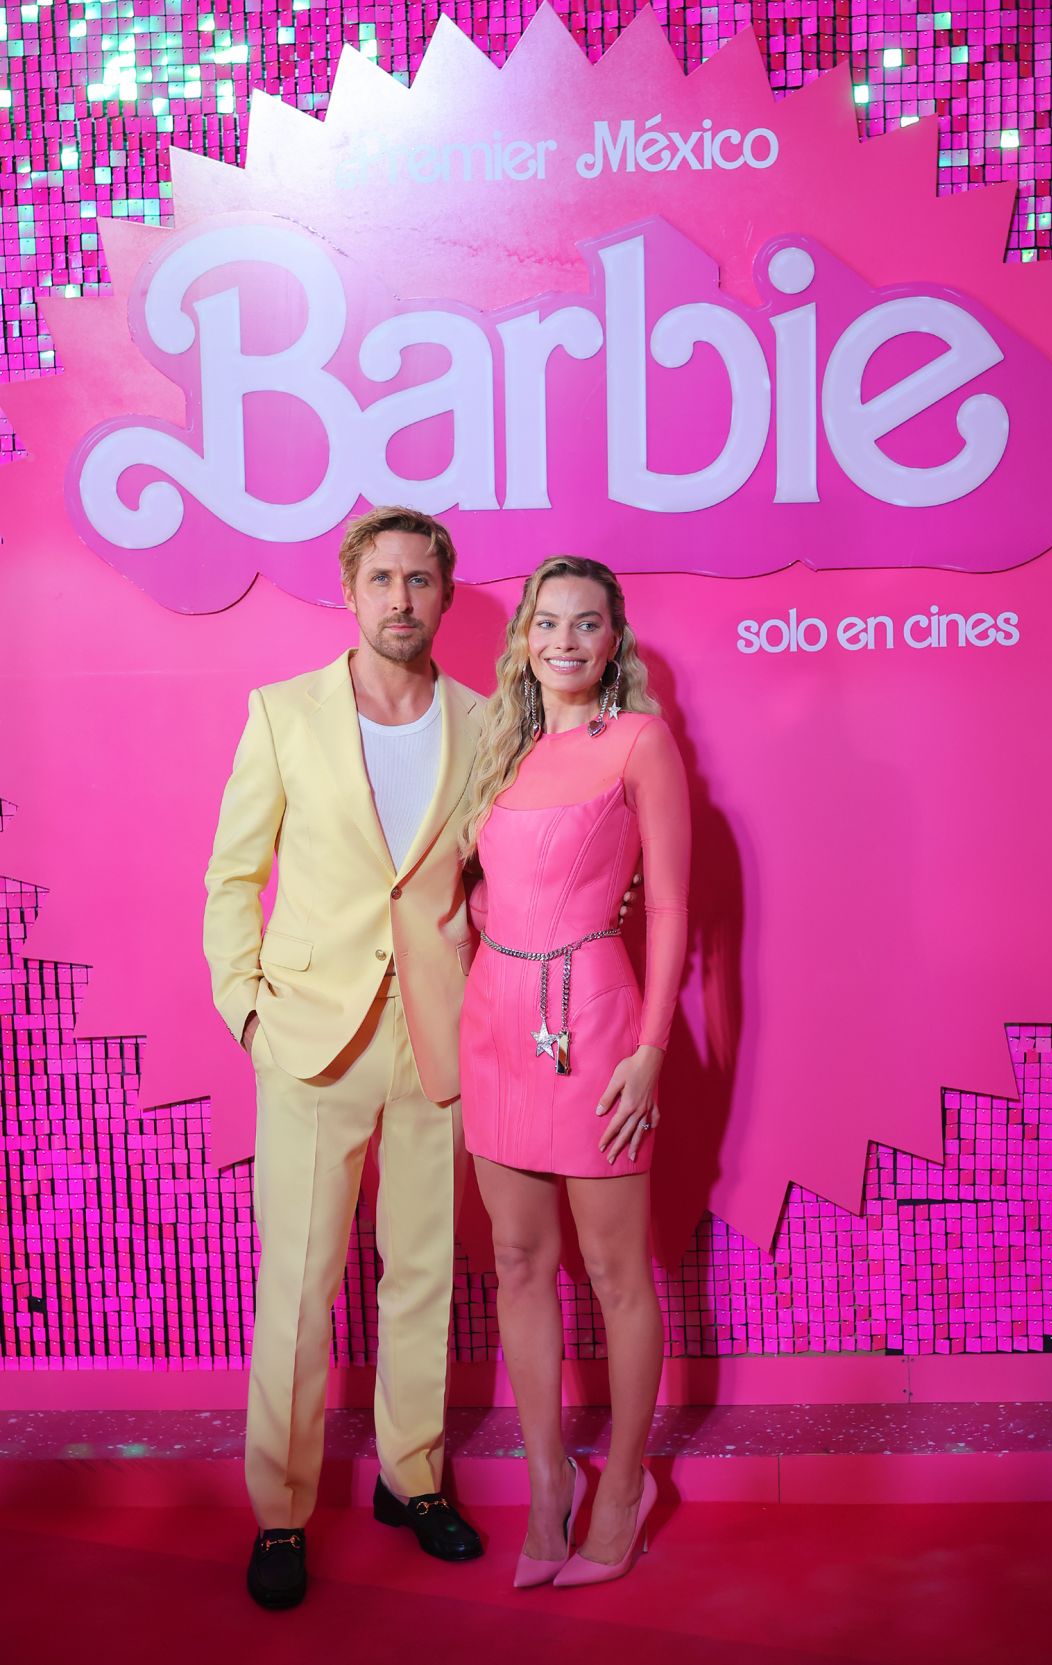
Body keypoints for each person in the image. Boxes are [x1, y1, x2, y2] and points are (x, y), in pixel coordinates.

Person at [203, 506, 486, 1610]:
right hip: (312, 1040)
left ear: (446, 597)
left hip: (437, 1038)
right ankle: (280, 1510)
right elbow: (231, 876)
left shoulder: (484, 719)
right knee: (299, 1286)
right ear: (350, 590)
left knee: (422, 1273)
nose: (402, 599)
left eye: (421, 580)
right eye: (383, 579)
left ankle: (412, 1478)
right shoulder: (282, 716)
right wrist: (250, 1016)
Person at [458, 555, 691, 1589]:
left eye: (584, 624)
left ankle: (628, 1482)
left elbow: (675, 906)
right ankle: (548, 1480)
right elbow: (484, 886)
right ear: (524, 640)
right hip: (496, 1021)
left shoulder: (639, 741)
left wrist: (649, 1052)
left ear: (613, 640)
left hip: (592, 1019)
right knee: (516, 1257)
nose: (562, 640)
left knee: (611, 1273)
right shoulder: (498, 754)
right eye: (545, 622)